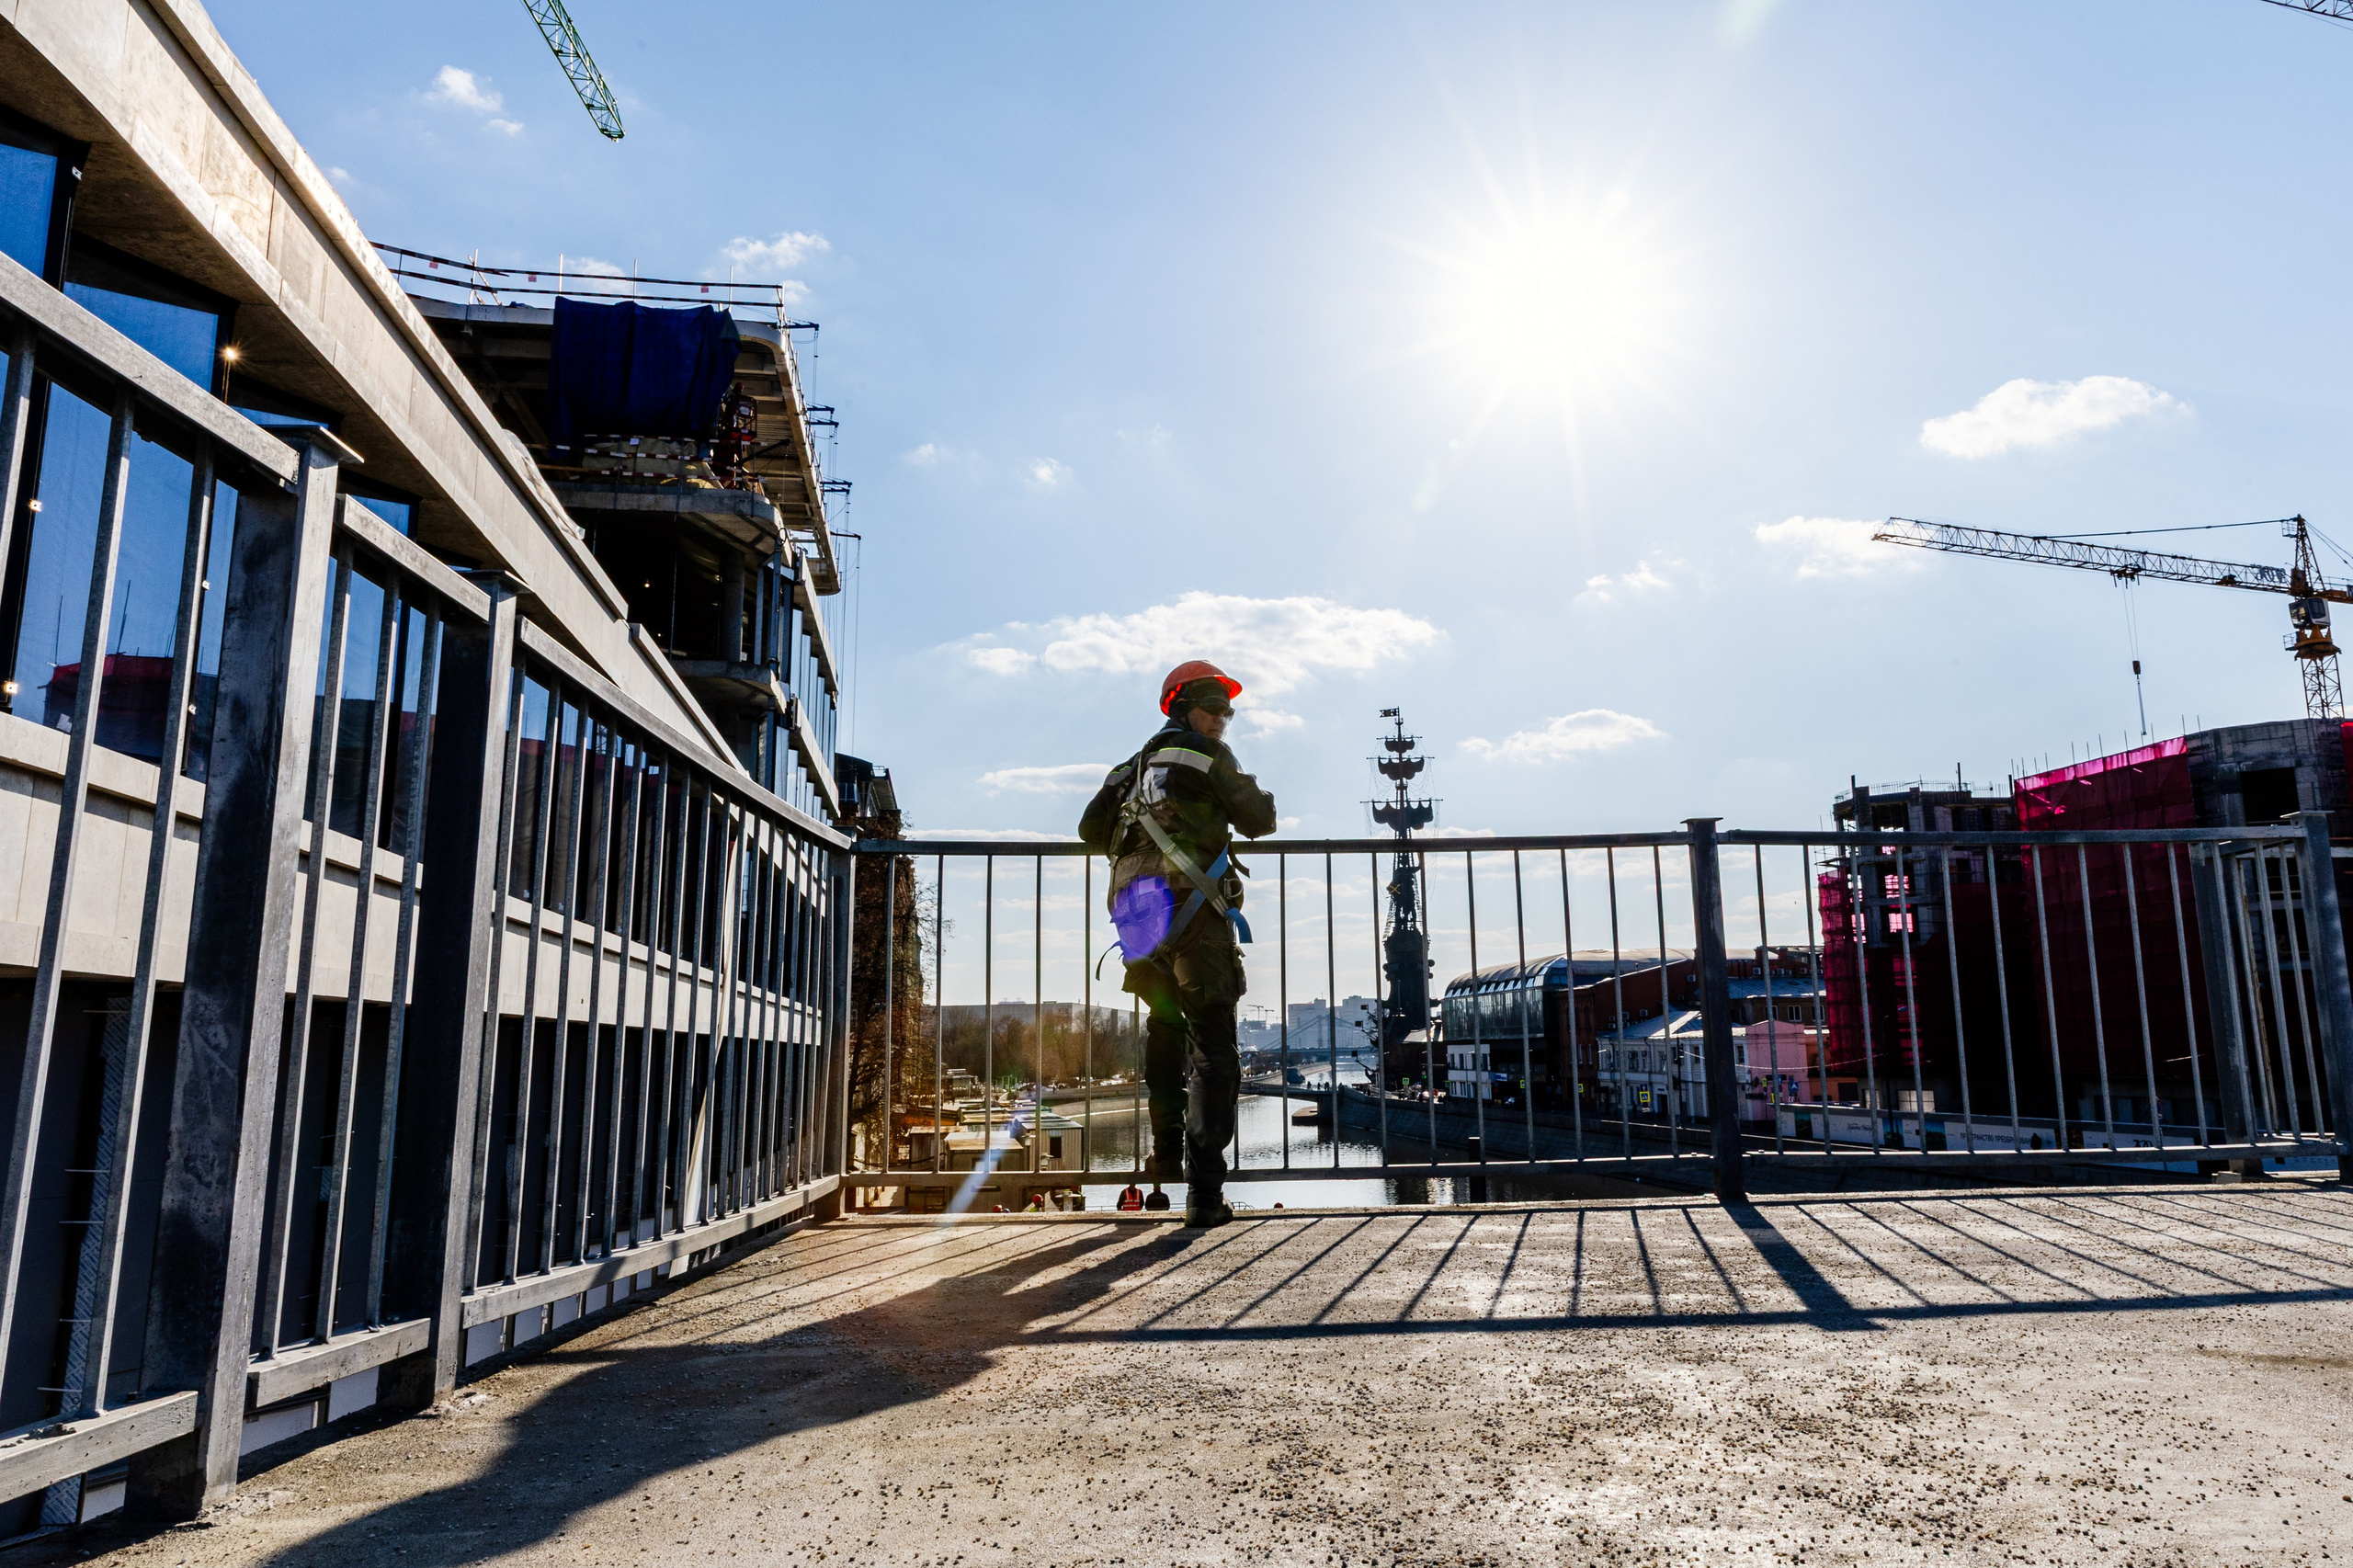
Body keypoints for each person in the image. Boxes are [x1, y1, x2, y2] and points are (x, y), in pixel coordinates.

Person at [1080, 660, 1278, 1230]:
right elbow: (1260, 819)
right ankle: (1205, 1194)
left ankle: (1164, 1155)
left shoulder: (1126, 768)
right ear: (1181, 707)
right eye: (1212, 707)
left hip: (1135, 918)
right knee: (1214, 1046)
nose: (1221, 718)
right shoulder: (1206, 755)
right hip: (1192, 911)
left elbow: (1090, 830)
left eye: (1228, 710)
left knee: (1165, 1031)